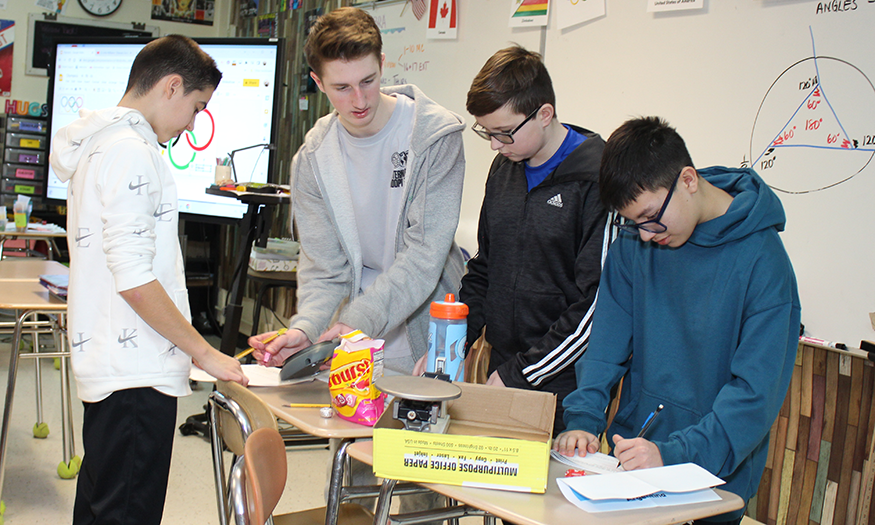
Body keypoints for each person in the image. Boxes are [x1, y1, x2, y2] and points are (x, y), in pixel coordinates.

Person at [554, 116, 801, 524]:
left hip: (713, 475)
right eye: (633, 223)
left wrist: (674, 454)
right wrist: (584, 420)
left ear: (687, 180)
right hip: (633, 457)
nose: (647, 234)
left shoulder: (764, 263)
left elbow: (754, 397)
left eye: (651, 217)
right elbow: (606, 344)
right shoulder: (635, 243)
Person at [50, 35, 249, 525]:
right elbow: (135, 278)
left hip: (116, 365)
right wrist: (203, 351)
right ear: (171, 86)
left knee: (101, 507)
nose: (192, 123)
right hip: (137, 370)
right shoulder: (132, 152)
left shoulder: (102, 144)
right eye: (197, 107)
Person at [250, 7, 466, 377]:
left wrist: (358, 320)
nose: (360, 100)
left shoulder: (434, 138)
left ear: (382, 63)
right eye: (342, 88)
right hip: (351, 341)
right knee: (350, 435)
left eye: (368, 81)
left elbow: (423, 256)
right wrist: (307, 328)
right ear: (318, 83)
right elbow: (325, 269)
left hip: (425, 338)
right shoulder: (314, 160)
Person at [446, 45, 615, 436]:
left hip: (562, 383)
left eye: (504, 133)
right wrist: (452, 345)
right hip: (503, 368)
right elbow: (484, 268)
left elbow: (595, 304)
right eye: (487, 133)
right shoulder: (505, 167)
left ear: (544, 114)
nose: (494, 145)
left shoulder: (596, 181)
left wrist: (523, 373)